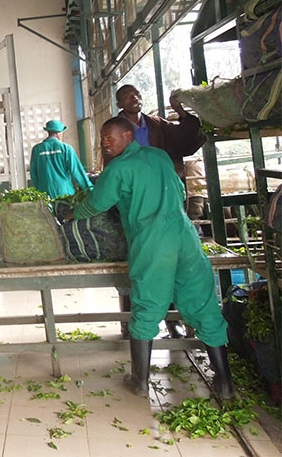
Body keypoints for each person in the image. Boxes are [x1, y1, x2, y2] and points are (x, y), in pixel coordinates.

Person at [70, 117, 234, 400]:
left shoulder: (118, 169)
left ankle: (140, 381)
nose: (105, 143)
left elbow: (97, 203)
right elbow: (180, 190)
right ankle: (225, 383)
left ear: (128, 135)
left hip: (152, 241)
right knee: (203, 303)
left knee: (146, 306)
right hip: (185, 235)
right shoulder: (159, 157)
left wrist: (72, 214)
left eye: (111, 137)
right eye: (103, 138)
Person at [116, 84, 206, 338]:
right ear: (120, 104)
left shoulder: (157, 125)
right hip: (136, 201)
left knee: (167, 259)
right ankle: (131, 321)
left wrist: (180, 110)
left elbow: (187, 141)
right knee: (137, 260)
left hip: (165, 198)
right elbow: (112, 164)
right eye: (126, 96)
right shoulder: (117, 129)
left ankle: (172, 320)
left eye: (136, 93)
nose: (134, 97)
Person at [29, 120, 92, 199]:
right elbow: (77, 171)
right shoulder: (66, 149)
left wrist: (39, 189)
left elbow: (33, 173)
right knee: (66, 210)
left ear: (48, 131)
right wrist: (89, 190)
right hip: (64, 192)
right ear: (59, 133)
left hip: (44, 192)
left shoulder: (37, 149)